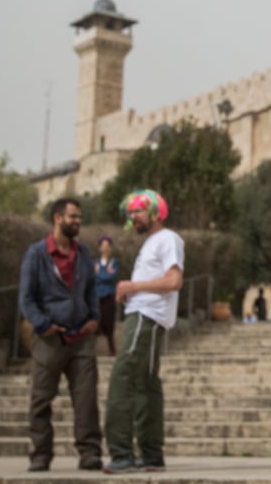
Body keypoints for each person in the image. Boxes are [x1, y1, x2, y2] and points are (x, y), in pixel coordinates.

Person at [18, 197, 103, 472]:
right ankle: (40, 454)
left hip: (81, 340)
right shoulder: (37, 254)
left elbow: (92, 289)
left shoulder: (84, 254)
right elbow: (26, 298)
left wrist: (95, 317)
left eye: (79, 217)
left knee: (86, 399)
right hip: (49, 340)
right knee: (41, 399)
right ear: (57, 218)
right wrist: (43, 325)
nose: (77, 222)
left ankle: (89, 452)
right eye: (73, 217)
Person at [103, 190, 184, 474]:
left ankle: (122, 453)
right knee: (147, 383)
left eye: (138, 211)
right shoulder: (151, 243)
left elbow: (174, 281)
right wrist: (132, 292)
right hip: (145, 314)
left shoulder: (167, 239)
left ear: (154, 212)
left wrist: (132, 287)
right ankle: (151, 454)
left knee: (122, 377)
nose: (133, 216)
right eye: (131, 212)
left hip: (146, 317)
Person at [94, 236, 119, 356]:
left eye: (107, 246)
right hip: (98, 296)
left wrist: (99, 274)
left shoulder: (113, 262)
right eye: (103, 245)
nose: (105, 248)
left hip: (109, 295)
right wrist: (103, 274)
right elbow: (94, 278)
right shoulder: (96, 263)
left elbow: (110, 278)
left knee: (109, 320)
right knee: (96, 320)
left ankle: (112, 349)